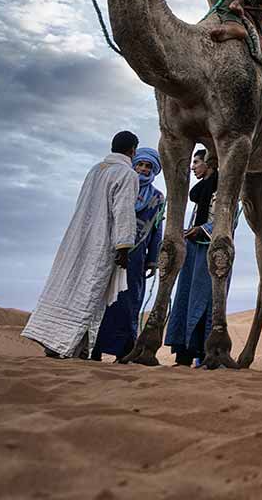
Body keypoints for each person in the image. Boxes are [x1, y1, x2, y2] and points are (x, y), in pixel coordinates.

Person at [22, 131, 141, 359]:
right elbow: (124, 211)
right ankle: (66, 345)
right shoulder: (127, 174)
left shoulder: (95, 170)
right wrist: (124, 246)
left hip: (76, 240)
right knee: (90, 294)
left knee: (70, 289)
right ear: (132, 150)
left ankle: (70, 345)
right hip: (100, 243)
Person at [93, 147, 165, 361]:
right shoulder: (122, 186)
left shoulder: (157, 197)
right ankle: (94, 348)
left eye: (148, 166)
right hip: (110, 251)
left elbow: (156, 230)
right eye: (140, 164)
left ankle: (124, 351)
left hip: (136, 257)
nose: (143, 169)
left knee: (129, 301)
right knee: (103, 298)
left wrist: (153, 260)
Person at [165, 149, 217, 367]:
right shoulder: (202, 194)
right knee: (186, 296)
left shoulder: (221, 192)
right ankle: (183, 354)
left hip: (211, 250)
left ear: (209, 164)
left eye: (197, 162)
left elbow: (227, 220)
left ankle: (206, 354)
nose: (193, 166)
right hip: (193, 249)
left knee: (206, 298)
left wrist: (202, 230)